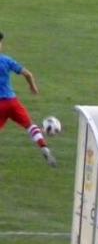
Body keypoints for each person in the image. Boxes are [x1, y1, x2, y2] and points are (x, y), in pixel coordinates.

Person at [0, 32, 56, 167]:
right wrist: (33, 87)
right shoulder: (7, 60)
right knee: (30, 126)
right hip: (13, 102)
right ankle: (44, 147)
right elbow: (28, 74)